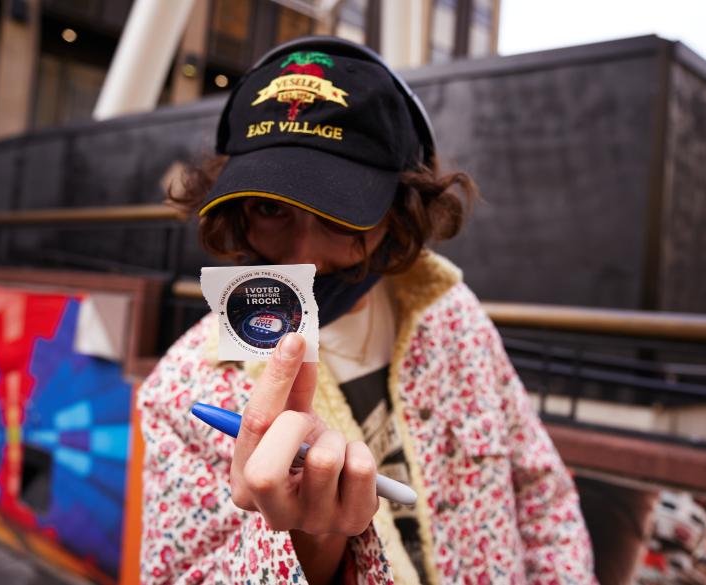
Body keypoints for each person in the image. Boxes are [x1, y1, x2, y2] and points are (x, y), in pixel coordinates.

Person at [138, 37, 596, 585]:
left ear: (399, 214)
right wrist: (307, 545)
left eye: (339, 216)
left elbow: (542, 496)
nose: (303, 256)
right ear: (235, 211)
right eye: (268, 209)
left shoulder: (453, 318)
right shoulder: (182, 390)